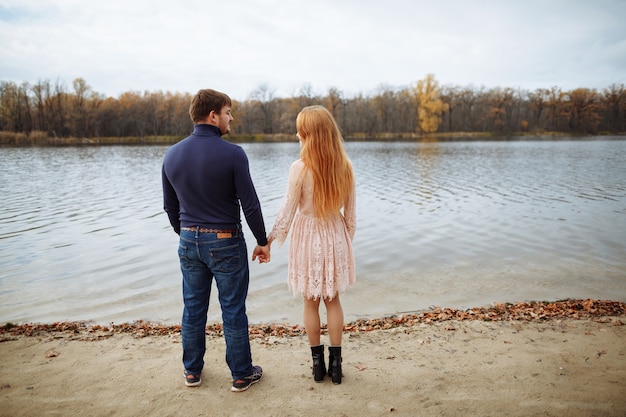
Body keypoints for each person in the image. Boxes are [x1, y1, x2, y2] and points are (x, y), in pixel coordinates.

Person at [161, 88, 270, 392]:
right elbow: (250, 203)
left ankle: (192, 372)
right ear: (213, 116)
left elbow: (170, 208)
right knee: (233, 309)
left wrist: (186, 234)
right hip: (225, 241)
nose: (231, 118)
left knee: (193, 308)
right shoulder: (233, 153)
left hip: (188, 240)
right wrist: (262, 240)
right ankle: (240, 375)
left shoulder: (172, 154)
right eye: (228, 112)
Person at [267, 105, 356, 384]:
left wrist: (268, 241)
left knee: (310, 301)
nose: (297, 134)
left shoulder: (300, 168)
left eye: (301, 130)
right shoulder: (345, 166)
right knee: (333, 299)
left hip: (306, 237)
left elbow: (287, 211)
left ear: (311, 135)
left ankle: (317, 366)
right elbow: (351, 217)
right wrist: (342, 244)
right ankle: (337, 364)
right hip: (334, 235)